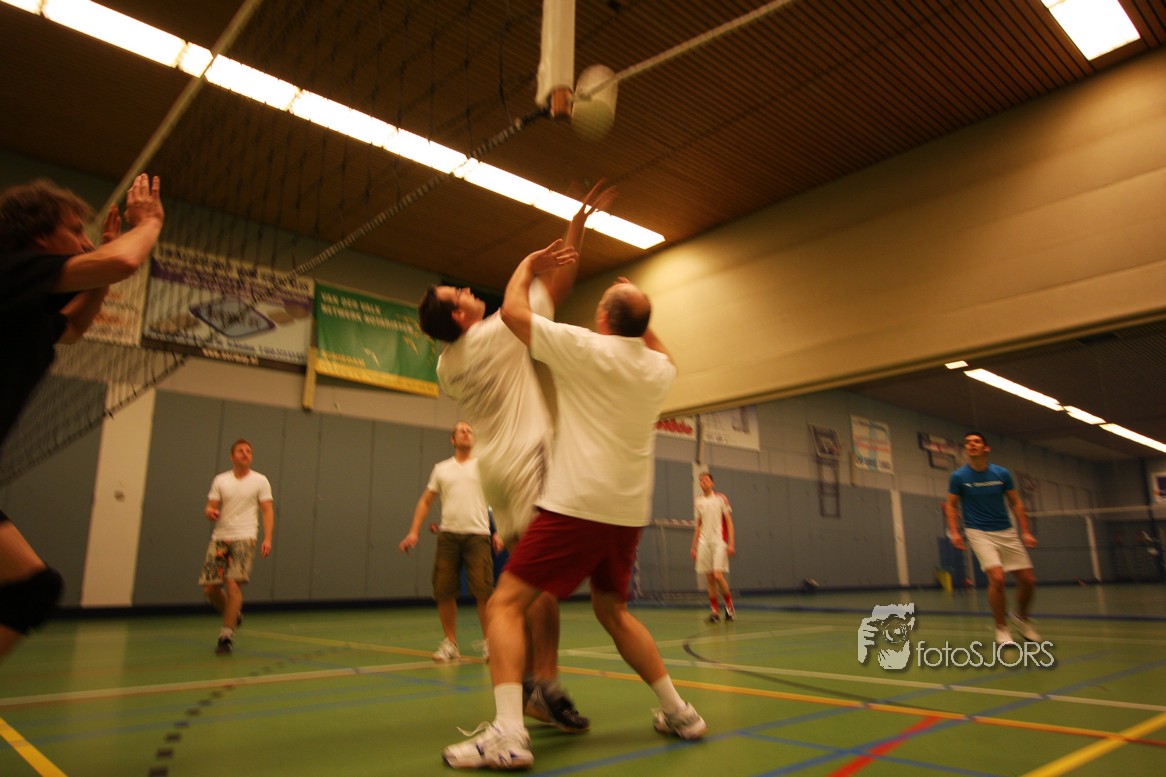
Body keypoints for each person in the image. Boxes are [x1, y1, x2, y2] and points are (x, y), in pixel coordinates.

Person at [441, 259, 706, 770]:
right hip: (628, 514)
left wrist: (524, 266)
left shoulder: (584, 347)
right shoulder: (656, 370)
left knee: (504, 604)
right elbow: (664, 353)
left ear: (603, 319)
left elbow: (514, 313)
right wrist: (643, 316)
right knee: (614, 612)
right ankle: (681, 713)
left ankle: (509, 734)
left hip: (578, 504)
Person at [417, 182, 612, 733]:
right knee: (539, 583)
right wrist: (575, 229)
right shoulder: (499, 332)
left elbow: (532, 292)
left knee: (527, 579)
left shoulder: (447, 366)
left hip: (496, 475)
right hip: (528, 463)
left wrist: (568, 234)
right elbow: (559, 283)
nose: (465, 288)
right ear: (459, 315)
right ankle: (544, 684)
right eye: (458, 291)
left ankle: (528, 682)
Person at [0, 174, 164, 662]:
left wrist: (102, 275)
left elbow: (72, 327)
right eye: (74, 230)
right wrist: (148, 224)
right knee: (34, 588)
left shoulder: (25, 304)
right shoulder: (9, 268)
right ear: (38, 236)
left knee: (33, 588)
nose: (85, 242)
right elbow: (124, 260)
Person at [399, 421, 501, 661]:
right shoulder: (442, 469)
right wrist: (414, 532)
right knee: (444, 591)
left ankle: (490, 644)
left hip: (478, 535)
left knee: (483, 591)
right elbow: (426, 501)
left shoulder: (485, 467)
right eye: (460, 430)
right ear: (453, 440)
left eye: (469, 430)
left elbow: (499, 501)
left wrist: (501, 531)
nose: (465, 432)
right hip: (448, 537)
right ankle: (450, 644)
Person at [944, 431, 1040, 645]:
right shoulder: (959, 477)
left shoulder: (1001, 473)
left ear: (986, 448)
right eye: (968, 442)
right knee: (997, 578)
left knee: (1028, 581)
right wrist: (955, 532)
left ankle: (1021, 619)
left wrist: (1025, 531)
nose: (971, 445)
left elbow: (1016, 502)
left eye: (976, 442)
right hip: (978, 532)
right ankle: (1001, 627)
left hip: (1006, 531)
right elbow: (951, 505)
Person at [200, 438, 274, 655]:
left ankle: (226, 635)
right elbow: (210, 507)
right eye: (240, 451)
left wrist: (267, 538)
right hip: (221, 538)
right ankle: (234, 614)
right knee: (210, 588)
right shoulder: (221, 480)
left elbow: (267, 510)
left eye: (248, 451)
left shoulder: (260, 481)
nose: (245, 453)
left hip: (245, 537)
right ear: (232, 456)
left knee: (233, 585)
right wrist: (210, 512)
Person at [691, 471, 736, 623]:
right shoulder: (698, 501)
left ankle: (729, 607)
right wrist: (694, 546)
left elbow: (729, 521)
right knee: (709, 578)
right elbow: (698, 525)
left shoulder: (721, 499)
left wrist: (731, 542)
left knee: (717, 575)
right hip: (704, 543)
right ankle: (715, 612)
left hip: (719, 542)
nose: (703, 482)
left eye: (706, 480)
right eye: (701, 480)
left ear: (712, 483)